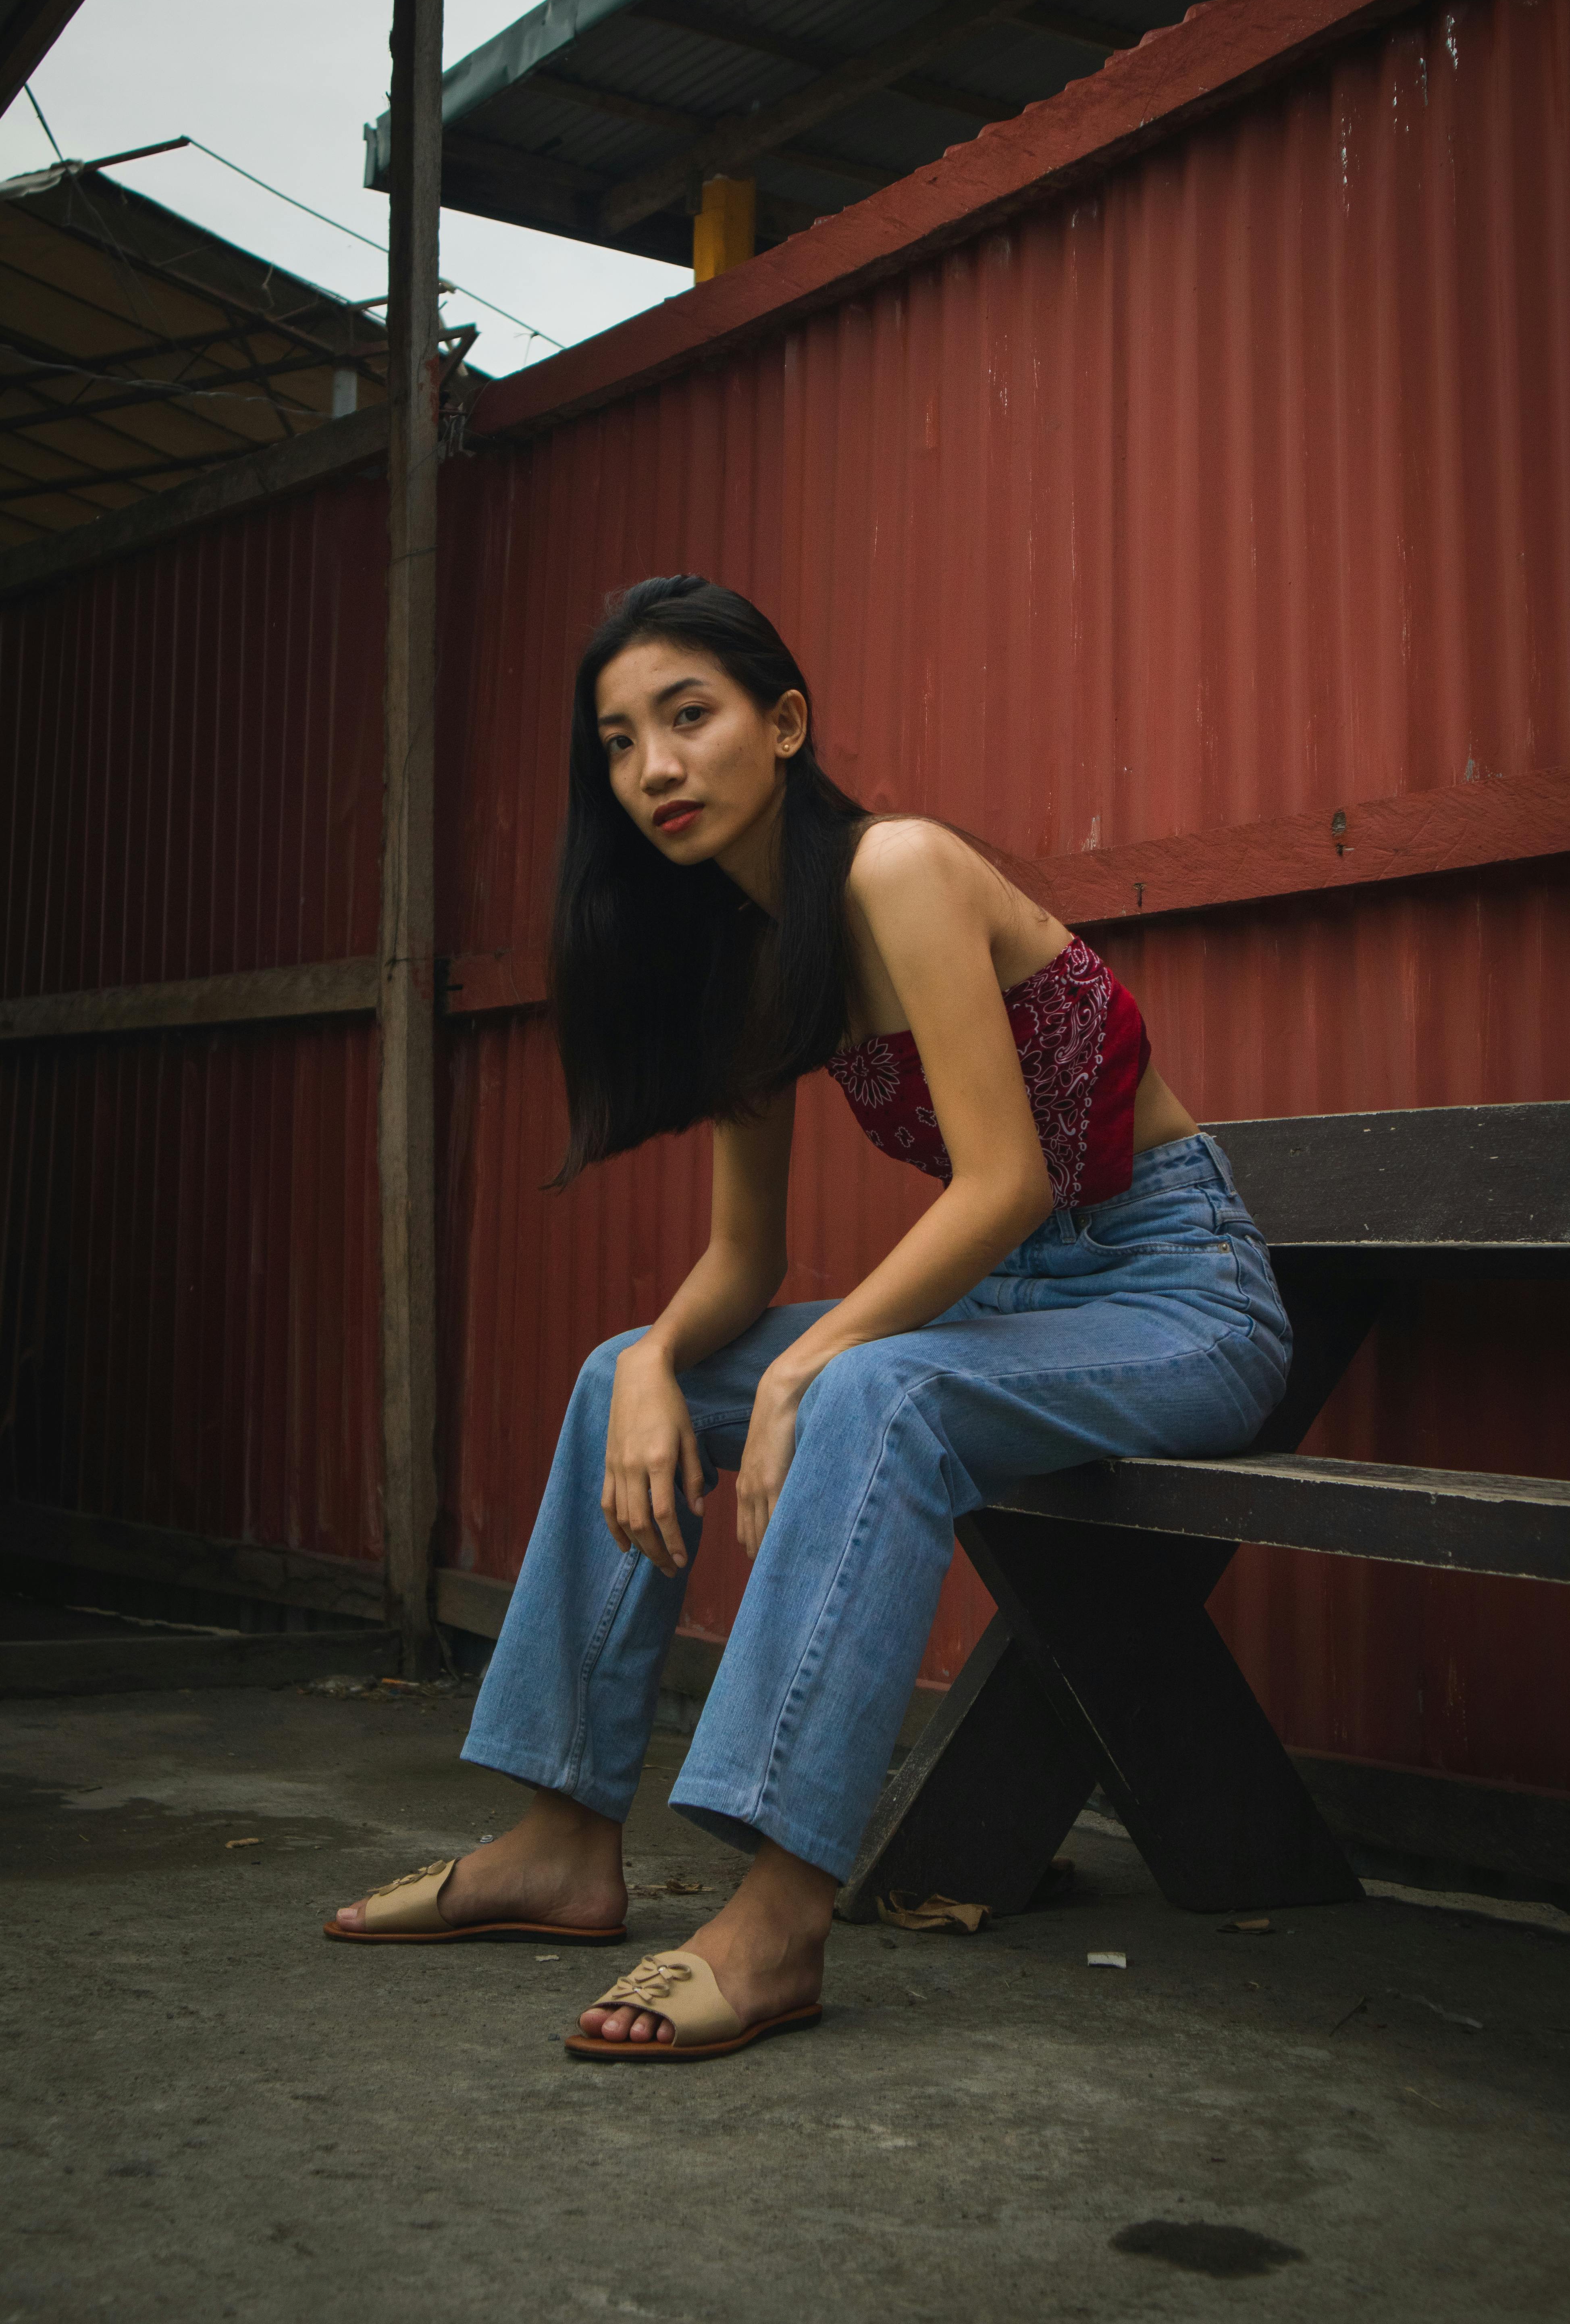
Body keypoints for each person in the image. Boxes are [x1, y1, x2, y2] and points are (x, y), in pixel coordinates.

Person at [326, 577, 1292, 2061]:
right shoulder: (742, 961)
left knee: (867, 1392)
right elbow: (742, 1255)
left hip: (1176, 1299)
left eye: (690, 717)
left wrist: (814, 1365)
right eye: (619, 740)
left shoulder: (897, 869)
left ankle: (780, 1914)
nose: (654, 765)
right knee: (614, 1376)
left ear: (783, 726)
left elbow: (1008, 1183)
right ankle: (562, 1839)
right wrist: (663, 1360)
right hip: (1015, 1308)